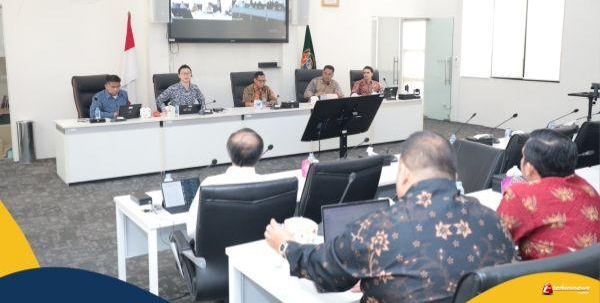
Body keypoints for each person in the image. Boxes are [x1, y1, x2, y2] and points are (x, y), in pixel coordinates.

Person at [264, 131, 514, 302]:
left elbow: (324, 269)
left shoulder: (379, 227)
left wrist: (285, 245)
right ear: (453, 174)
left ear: (403, 173)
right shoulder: (494, 221)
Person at [497, 129, 600, 260]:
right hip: (590, 271)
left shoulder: (520, 195)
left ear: (529, 168)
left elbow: (494, 240)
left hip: (544, 272)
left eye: (523, 156)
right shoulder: (587, 188)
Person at [186, 128, 269, 239]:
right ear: (260, 155)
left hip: (216, 249)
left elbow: (192, 231)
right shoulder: (270, 185)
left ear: (229, 154)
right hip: (258, 247)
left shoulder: (210, 184)